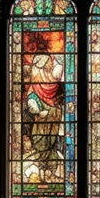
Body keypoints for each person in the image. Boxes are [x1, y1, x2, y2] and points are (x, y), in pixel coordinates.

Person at [23, 54, 65, 182]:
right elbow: (33, 110)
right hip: (41, 129)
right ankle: (42, 174)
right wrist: (41, 113)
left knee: (52, 150)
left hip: (54, 128)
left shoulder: (57, 86)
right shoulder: (33, 93)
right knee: (42, 151)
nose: (50, 67)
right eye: (47, 65)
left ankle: (49, 174)